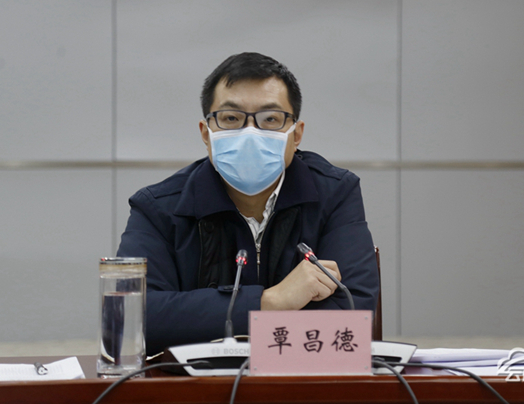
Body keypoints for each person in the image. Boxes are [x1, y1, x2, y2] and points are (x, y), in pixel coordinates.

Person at [117, 52, 379, 355]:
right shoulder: (158, 208)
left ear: (296, 135)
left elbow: (352, 316)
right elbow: (134, 317)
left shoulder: (334, 193)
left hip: (302, 379)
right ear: (206, 133)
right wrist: (270, 302)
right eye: (231, 118)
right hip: (195, 382)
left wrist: (208, 320)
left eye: (271, 119)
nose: (250, 133)